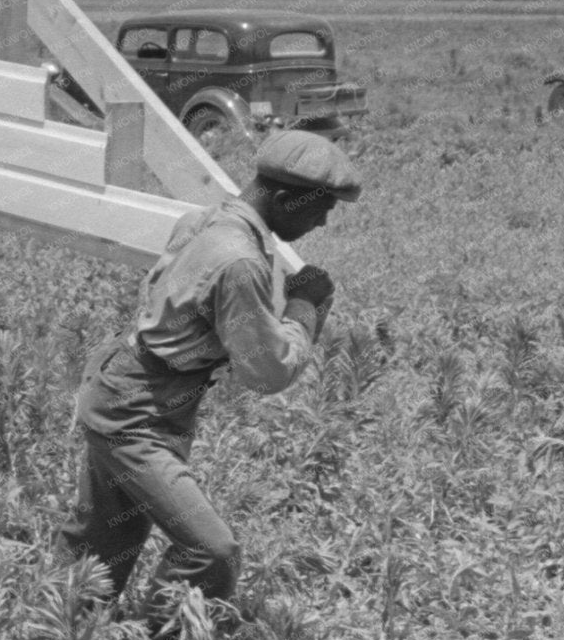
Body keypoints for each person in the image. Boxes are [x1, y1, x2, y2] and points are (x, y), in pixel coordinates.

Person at [58, 129, 361, 606]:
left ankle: (64, 632)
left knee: (104, 541)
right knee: (211, 551)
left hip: (126, 387)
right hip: (138, 415)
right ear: (284, 200)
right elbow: (268, 373)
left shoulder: (208, 221)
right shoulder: (239, 261)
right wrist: (304, 308)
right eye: (322, 208)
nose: (323, 222)